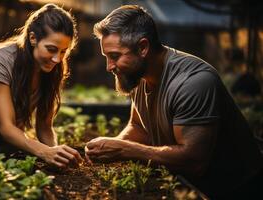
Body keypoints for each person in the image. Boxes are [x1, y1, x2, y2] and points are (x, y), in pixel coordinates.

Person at [84, 5, 263, 199]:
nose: (109, 67)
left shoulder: (193, 82)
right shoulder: (138, 76)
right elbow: (139, 127)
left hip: (239, 189)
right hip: (193, 186)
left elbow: (193, 162)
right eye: (106, 57)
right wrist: (108, 148)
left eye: (115, 56)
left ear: (143, 47)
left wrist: (123, 149)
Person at [0, 4, 83, 168]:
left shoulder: (53, 69)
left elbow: (45, 128)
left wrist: (57, 154)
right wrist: (44, 152)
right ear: (33, 38)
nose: (57, 59)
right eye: (51, 49)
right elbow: (7, 127)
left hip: (12, 158)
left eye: (63, 51)